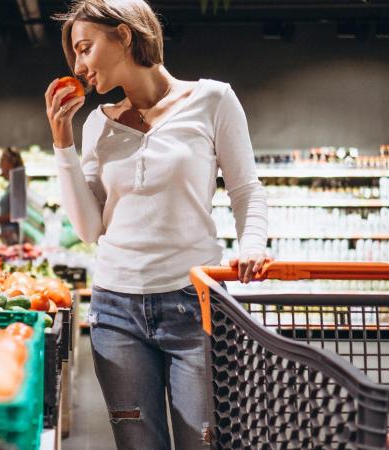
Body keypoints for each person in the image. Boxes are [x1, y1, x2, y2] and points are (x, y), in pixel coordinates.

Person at [45, 1, 268, 448]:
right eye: (74, 55)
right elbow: (90, 230)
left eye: (85, 48)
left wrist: (254, 243)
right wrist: (62, 143)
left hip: (194, 304)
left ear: (124, 36)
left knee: (202, 441)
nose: (79, 65)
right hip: (115, 310)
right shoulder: (95, 126)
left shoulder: (212, 100)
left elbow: (246, 190)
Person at [0, 147, 25, 244]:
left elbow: (19, 214)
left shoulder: (17, 184)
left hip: (14, 238)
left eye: (2, 161)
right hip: (8, 237)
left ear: (11, 163)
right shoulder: (11, 184)